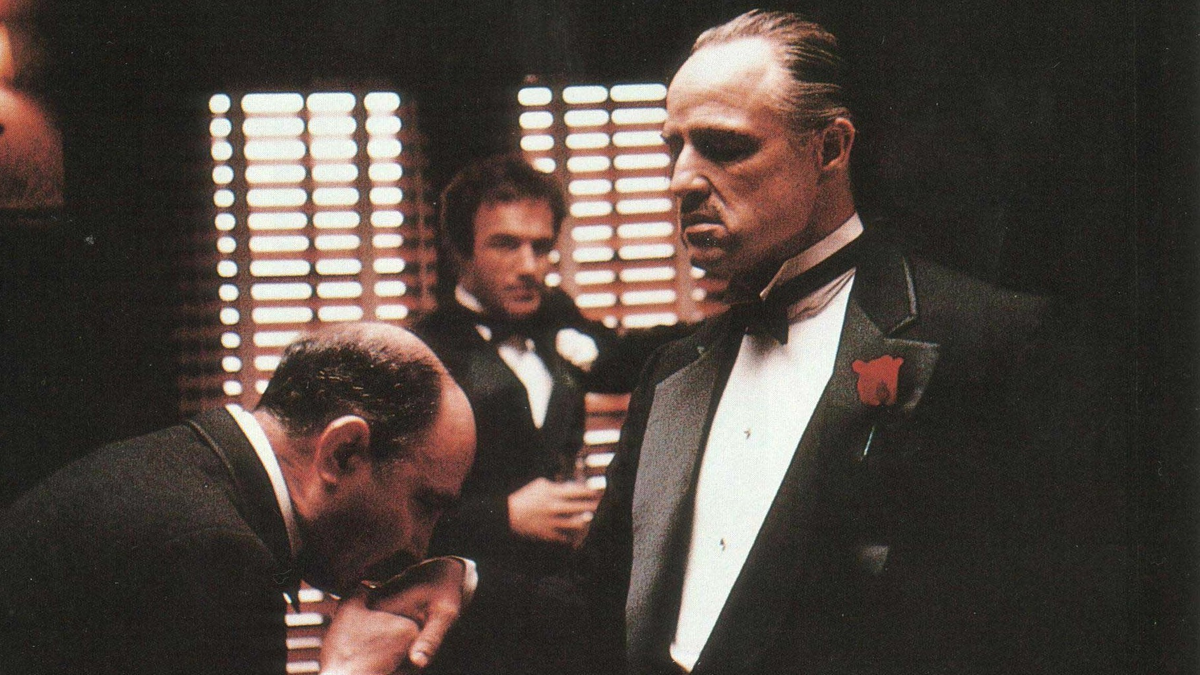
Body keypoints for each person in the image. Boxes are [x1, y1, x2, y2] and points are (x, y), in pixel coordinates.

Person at [432, 10, 1123, 675]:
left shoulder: (991, 341)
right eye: (674, 147)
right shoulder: (672, 372)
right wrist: (464, 582)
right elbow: (602, 607)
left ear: (830, 149)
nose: (681, 180)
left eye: (724, 145)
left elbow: (1048, 625)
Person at [0, 323, 477, 675]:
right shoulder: (215, 554)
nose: (420, 546)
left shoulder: (179, 475)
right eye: (424, 505)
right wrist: (349, 671)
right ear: (342, 452)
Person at [413, 154, 688, 674]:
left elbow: (626, 360)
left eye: (541, 247)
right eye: (505, 244)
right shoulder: (422, 351)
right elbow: (391, 517)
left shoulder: (556, 314)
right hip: (473, 625)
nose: (529, 267)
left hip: (566, 611)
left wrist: (731, 320)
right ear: (460, 252)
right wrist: (504, 516)